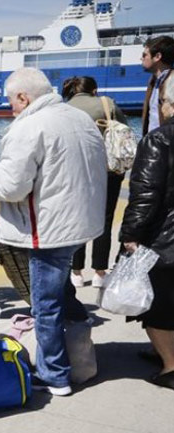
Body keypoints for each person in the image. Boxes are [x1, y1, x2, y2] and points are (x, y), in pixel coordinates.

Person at [0, 67, 107, 396]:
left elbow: (12, 186)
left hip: (48, 228)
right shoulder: (78, 117)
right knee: (62, 293)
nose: (10, 108)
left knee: (45, 304)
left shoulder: (29, 126)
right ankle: (81, 358)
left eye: (11, 102)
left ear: (24, 97)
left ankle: (55, 374)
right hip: (78, 223)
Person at [120, 76, 174, 391]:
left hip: (163, 238)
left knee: (157, 306)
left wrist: (130, 234)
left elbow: (146, 194)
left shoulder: (158, 139)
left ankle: (169, 365)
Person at [61, 76, 129, 288]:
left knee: (77, 219)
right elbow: (124, 128)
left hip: (76, 171)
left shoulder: (64, 109)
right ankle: (100, 273)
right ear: (94, 90)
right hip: (108, 169)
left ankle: (76, 272)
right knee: (105, 219)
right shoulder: (106, 103)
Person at [141, 36, 174, 136]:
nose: (141, 58)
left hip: (166, 147)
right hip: (155, 146)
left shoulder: (171, 81)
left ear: (157, 57)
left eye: (144, 55)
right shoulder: (153, 82)